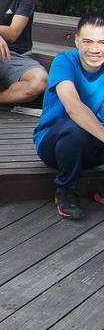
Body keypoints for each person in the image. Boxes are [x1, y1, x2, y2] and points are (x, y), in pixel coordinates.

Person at [34, 14, 104, 220]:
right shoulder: (64, 61)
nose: (95, 49)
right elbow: (73, 106)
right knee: (76, 126)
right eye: (88, 41)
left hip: (93, 146)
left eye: (102, 42)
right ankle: (66, 190)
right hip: (55, 145)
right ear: (76, 41)